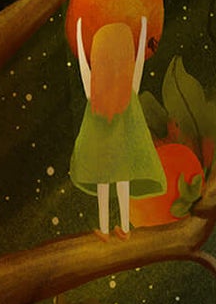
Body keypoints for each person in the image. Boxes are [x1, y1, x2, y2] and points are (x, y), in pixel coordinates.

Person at [71, 16, 165, 236]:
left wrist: (78, 35)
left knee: (110, 185)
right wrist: (142, 32)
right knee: (119, 184)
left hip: (109, 156)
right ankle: (119, 228)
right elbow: (138, 62)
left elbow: (84, 66)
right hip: (115, 156)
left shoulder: (102, 94)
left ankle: (113, 228)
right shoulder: (115, 92)